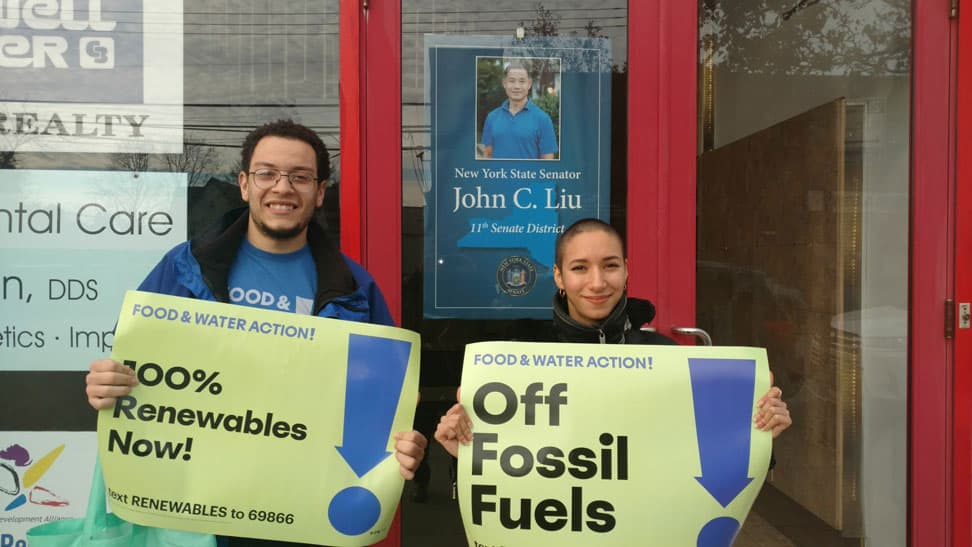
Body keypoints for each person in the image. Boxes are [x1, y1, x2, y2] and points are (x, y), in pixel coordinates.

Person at [84, 119, 427, 547]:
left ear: (320, 192)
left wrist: (400, 446)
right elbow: (131, 364)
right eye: (267, 173)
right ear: (245, 184)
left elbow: (385, 407)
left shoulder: (356, 290)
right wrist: (107, 384)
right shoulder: (184, 268)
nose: (282, 187)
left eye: (300, 177)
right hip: (197, 521)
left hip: (305, 520)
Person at [435, 217, 791, 457]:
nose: (596, 283)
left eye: (610, 265)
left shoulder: (667, 358)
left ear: (626, 270)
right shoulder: (519, 362)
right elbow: (500, 466)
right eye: (579, 268)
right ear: (559, 277)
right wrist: (462, 451)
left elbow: (704, 451)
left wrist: (757, 435)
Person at [480, 61, 558, 160]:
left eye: (522, 81)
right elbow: (487, 155)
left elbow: (547, 162)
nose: (516, 86)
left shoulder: (543, 119)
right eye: (512, 81)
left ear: (529, 84)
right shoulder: (492, 117)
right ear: (505, 84)